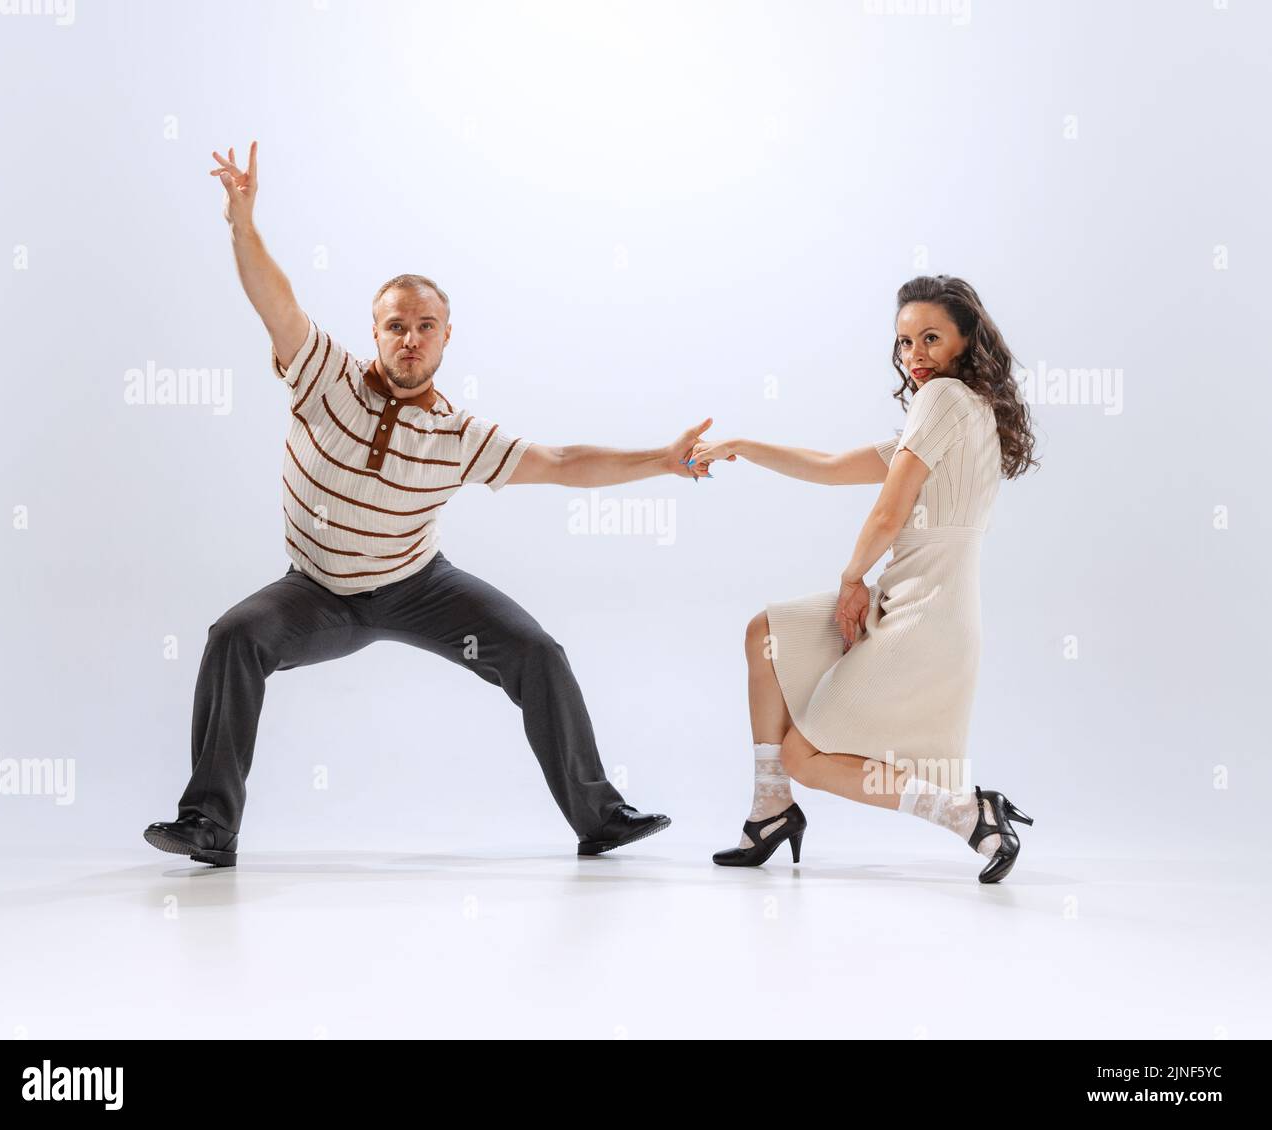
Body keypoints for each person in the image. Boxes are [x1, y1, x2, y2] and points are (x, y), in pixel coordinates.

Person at [143, 141, 711, 867]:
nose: (410, 339)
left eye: (425, 327)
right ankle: (209, 826)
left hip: (419, 589)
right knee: (234, 636)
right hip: (317, 594)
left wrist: (661, 460)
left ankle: (601, 817)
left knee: (537, 653)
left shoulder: (458, 436)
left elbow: (563, 462)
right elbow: (275, 301)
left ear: (445, 336)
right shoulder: (322, 375)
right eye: (396, 326)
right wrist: (242, 222)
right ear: (375, 331)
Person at [692, 275, 1039, 883]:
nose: (915, 355)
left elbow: (888, 513)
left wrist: (853, 579)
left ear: (966, 340)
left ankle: (967, 814)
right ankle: (770, 810)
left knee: (806, 756)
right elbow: (830, 467)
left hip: (925, 612)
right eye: (905, 342)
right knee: (765, 633)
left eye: (931, 338)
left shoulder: (943, 400)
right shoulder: (963, 410)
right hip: (917, 601)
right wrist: (741, 445)